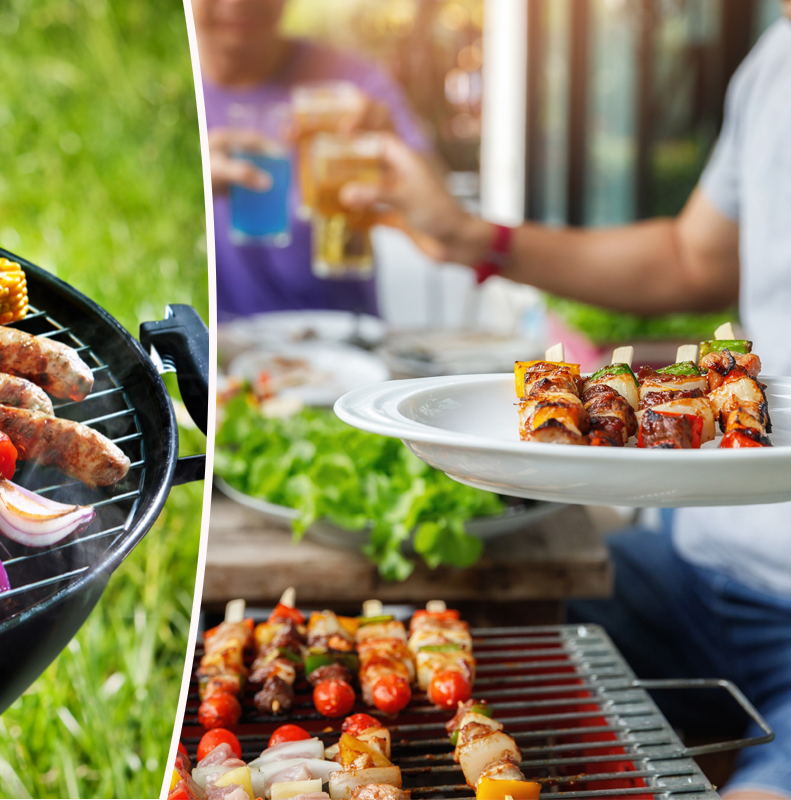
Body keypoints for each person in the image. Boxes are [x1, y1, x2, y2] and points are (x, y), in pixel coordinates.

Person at [341, 10, 791, 798]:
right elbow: (692, 258)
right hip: (695, 563)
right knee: (452, 652)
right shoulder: (776, 62)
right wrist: (471, 237)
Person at [192, 0, 430, 320]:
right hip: (221, 349)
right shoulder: (173, 97)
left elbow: (443, 218)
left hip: (343, 344)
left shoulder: (351, 85)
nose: (237, 3)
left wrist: (393, 160)